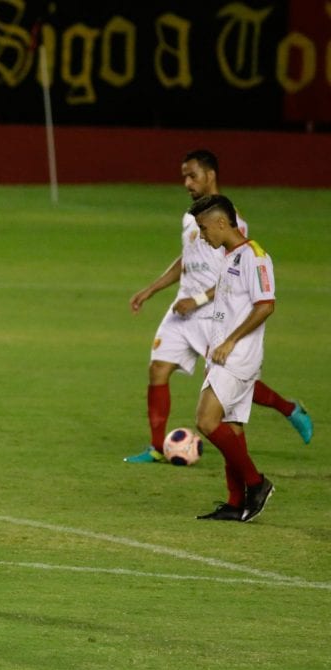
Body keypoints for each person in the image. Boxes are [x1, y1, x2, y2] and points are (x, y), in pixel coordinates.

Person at [125, 150, 311, 463]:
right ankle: (157, 448)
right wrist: (151, 289)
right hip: (181, 308)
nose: (186, 182)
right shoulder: (193, 216)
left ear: (210, 175)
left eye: (192, 175)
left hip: (212, 312)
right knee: (158, 368)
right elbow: (189, 259)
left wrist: (196, 300)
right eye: (184, 175)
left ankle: (289, 409)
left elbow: (232, 273)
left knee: (226, 385)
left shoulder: (230, 220)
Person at [187, 195, 275, 521]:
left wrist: (230, 342)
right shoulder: (228, 256)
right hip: (223, 354)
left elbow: (265, 304)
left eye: (204, 227)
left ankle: (256, 483)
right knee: (231, 428)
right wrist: (215, 344)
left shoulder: (256, 257)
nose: (202, 234)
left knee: (206, 420)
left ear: (222, 223)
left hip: (239, 356)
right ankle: (237, 501)